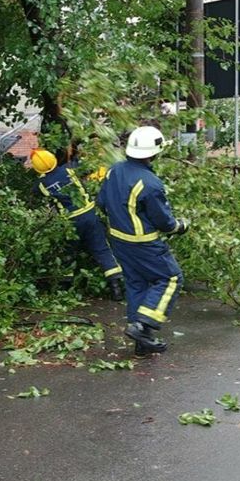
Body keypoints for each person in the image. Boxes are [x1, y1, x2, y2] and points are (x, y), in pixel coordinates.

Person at [96, 126, 188, 356]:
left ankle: (141, 343)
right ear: (154, 153)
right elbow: (164, 222)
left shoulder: (114, 171)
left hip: (118, 240)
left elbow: (101, 203)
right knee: (171, 278)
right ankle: (144, 326)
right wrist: (180, 226)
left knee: (137, 284)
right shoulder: (150, 182)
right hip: (144, 244)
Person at [30, 148, 124, 301]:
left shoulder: (40, 185)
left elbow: (37, 194)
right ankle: (116, 288)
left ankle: (64, 290)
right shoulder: (69, 171)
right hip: (89, 214)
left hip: (70, 223)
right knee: (101, 249)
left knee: (67, 253)